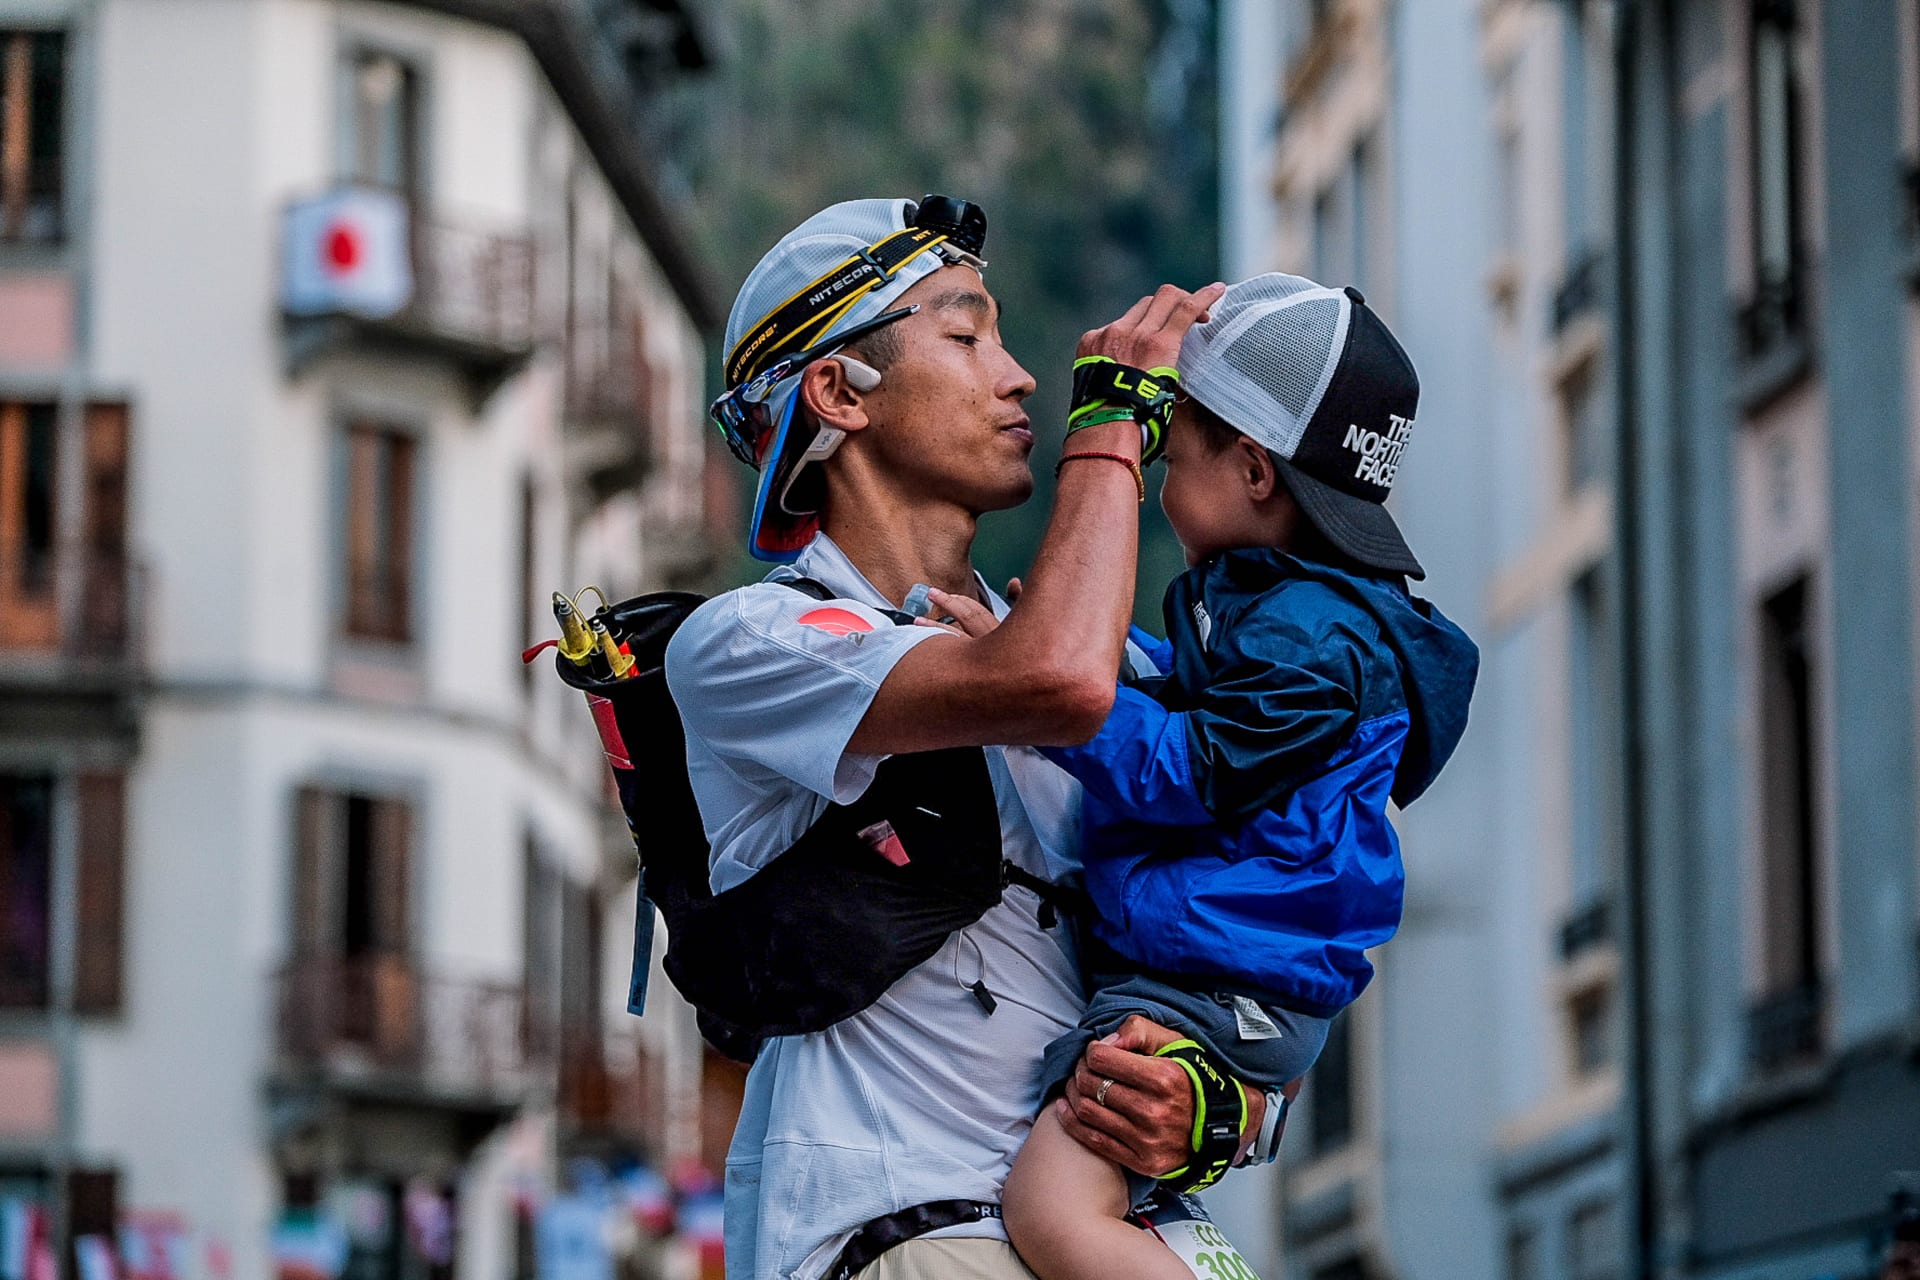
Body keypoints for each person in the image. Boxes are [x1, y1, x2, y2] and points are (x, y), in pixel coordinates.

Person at [665, 196, 1283, 1280]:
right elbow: (1049, 681)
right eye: (965, 335)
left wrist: (1227, 1103)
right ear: (836, 392)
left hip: (1117, 1220)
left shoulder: (1127, 669)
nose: (1021, 374)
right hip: (907, 1223)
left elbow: (1278, 920)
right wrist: (1115, 426)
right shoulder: (748, 640)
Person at [982, 275, 1476, 1280]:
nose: (1155, 471)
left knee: (1053, 1206)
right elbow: (1196, 710)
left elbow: (1193, 768)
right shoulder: (1287, 609)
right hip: (1215, 971)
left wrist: (1054, 686)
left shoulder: (1312, 639)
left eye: (1170, 441)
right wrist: (1091, 647)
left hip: (1216, 987)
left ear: (1252, 468)